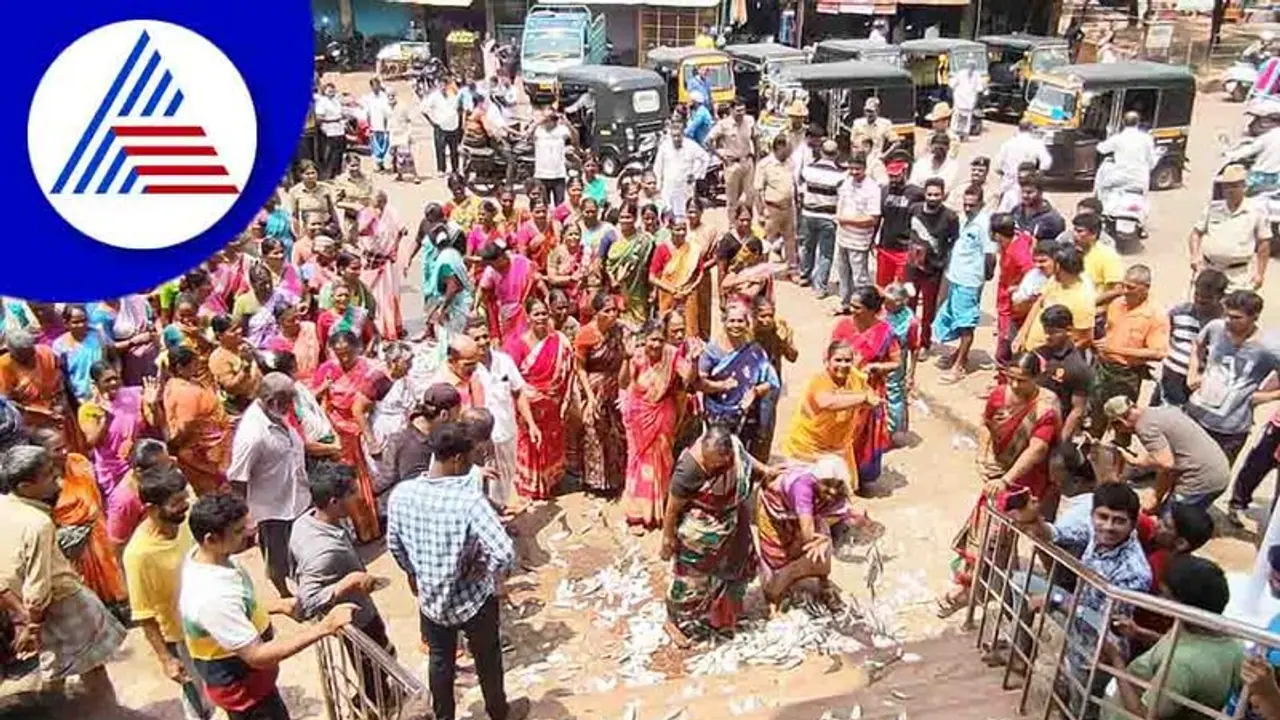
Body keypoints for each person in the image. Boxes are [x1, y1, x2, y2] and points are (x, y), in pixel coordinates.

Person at [386, 422, 529, 720]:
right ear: (457, 460)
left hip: (431, 599)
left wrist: (414, 572)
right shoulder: (468, 502)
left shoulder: (402, 494)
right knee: (487, 658)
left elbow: (395, 545)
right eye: (470, 458)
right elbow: (504, 552)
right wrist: (487, 572)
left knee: (440, 662)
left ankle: (444, 716)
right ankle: (498, 712)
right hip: (472, 598)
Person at [180, 492, 355, 720]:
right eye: (238, 531)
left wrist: (275, 606)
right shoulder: (213, 597)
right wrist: (324, 628)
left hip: (254, 684)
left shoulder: (208, 558)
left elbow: (239, 607)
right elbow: (257, 655)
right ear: (210, 539)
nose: (249, 532)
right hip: (246, 696)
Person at [0, 444, 127, 706]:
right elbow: (38, 588)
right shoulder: (38, 524)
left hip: (24, 608)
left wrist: (22, 619)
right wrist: (31, 625)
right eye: (47, 475)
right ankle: (108, 713)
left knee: (53, 670)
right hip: (63, 605)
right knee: (92, 668)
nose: (56, 479)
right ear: (25, 487)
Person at [937, 353, 1062, 617]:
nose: (1015, 386)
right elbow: (987, 424)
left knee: (996, 533)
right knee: (986, 528)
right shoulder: (998, 396)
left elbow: (1037, 449)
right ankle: (990, 583)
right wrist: (983, 455)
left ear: (1036, 378)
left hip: (1028, 480)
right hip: (999, 472)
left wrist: (1006, 480)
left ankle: (975, 589)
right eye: (1011, 378)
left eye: (1022, 380)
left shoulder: (1045, 408)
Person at [289, 462, 395, 706]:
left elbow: (293, 567)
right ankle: (376, 704)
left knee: (381, 656)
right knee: (374, 666)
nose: (358, 497)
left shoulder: (304, 522)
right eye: (352, 493)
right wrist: (347, 583)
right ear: (334, 501)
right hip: (355, 619)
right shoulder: (321, 551)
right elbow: (308, 602)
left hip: (362, 607)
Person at [662, 426, 775, 648]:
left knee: (736, 568)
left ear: (727, 456)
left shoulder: (733, 445)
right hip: (703, 531)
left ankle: (722, 617)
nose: (709, 466)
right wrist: (668, 537)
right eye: (707, 461)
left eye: (714, 463)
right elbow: (673, 507)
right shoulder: (689, 468)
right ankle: (673, 621)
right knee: (691, 579)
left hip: (733, 520)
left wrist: (765, 470)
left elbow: (745, 457)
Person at [1102, 556, 1243, 720]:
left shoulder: (1181, 666)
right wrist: (1139, 633)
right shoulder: (1231, 641)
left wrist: (1116, 660)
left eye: (1166, 596)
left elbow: (1144, 715)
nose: (1160, 600)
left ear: (1187, 606)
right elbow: (1178, 646)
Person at [124, 466, 215, 720]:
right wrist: (166, 659)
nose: (185, 506)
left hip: (212, 618)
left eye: (185, 498)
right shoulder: (138, 554)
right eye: (177, 503)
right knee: (198, 699)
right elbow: (144, 614)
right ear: (152, 509)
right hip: (182, 636)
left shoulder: (186, 522)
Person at [227, 374, 311, 599]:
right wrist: (244, 518)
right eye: (286, 401)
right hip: (273, 510)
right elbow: (237, 478)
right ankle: (286, 595)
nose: (290, 407)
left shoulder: (276, 415)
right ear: (271, 400)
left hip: (298, 498)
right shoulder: (253, 435)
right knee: (277, 558)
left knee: (303, 551)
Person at [36, 427, 128, 620]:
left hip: (100, 531)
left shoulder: (79, 461)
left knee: (113, 574)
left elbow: (97, 492)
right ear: (43, 454)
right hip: (76, 544)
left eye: (63, 446)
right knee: (89, 584)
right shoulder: (44, 483)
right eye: (56, 450)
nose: (63, 452)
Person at [1185, 290, 1280, 471]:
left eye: (1237, 318)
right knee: (1180, 468)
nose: (1229, 321)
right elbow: (1197, 344)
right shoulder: (1215, 328)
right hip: (1196, 415)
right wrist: (1193, 372)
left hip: (1230, 428)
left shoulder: (1267, 348)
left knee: (1212, 478)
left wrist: (1262, 397)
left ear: (1255, 317)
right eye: (1227, 315)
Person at [312, 331, 383, 543]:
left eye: (348, 353)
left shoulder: (369, 369)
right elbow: (311, 398)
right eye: (339, 354)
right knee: (343, 483)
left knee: (362, 482)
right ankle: (357, 529)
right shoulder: (327, 369)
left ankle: (371, 528)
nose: (344, 359)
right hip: (335, 432)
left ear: (357, 349)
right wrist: (323, 388)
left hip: (360, 429)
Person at [757, 455, 854, 610]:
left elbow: (841, 512)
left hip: (805, 513)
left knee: (821, 546)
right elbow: (808, 532)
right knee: (778, 555)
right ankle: (774, 599)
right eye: (827, 485)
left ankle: (823, 580)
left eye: (837, 486)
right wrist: (815, 539)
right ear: (816, 481)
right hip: (778, 511)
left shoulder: (836, 490)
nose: (832, 491)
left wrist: (822, 538)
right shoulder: (803, 487)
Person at [1103, 396, 1231, 511]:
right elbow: (1166, 470)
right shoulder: (1160, 412)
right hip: (1220, 473)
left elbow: (1164, 463)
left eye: (1116, 427)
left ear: (1121, 422)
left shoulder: (1145, 427)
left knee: (1169, 524)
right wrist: (1156, 498)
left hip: (1200, 480)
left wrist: (1138, 462)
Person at [782, 337, 878, 487]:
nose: (843, 365)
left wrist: (869, 398)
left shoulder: (855, 378)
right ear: (827, 361)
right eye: (838, 360)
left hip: (838, 449)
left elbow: (871, 397)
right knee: (807, 495)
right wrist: (863, 397)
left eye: (847, 361)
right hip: (807, 449)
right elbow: (827, 402)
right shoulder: (819, 380)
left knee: (837, 496)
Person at [621, 319, 681, 533]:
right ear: (644, 339)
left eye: (660, 340)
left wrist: (692, 360)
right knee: (639, 461)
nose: (656, 345)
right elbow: (623, 383)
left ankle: (657, 510)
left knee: (661, 461)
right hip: (638, 415)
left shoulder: (672, 355)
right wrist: (626, 358)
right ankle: (638, 513)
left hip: (663, 413)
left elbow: (688, 379)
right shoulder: (636, 356)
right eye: (652, 340)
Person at [699, 301, 780, 460]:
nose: (736, 325)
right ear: (724, 322)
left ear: (747, 323)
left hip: (746, 416)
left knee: (743, 458)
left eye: (740, 321)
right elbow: (699, 383)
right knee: (719, 456)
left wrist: (755, 392)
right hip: (718, 416)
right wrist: (720, 386)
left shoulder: (755, 351)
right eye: (732, 321)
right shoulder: (711, 351)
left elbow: (772, 382)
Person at [1092, 265, 1168, 431]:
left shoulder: (1155, 314)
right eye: (1123, 285)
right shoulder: (1116, 304)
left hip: (1126, 375)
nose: (1124, 291)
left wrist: (1115, 349)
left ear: (1145, 288)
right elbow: (1110, 330)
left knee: (1122, 424)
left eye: (1131, 287)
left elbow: (1158, 353)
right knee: (1096, 416)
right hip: (1103, 369)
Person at [933, 184, 996, 382]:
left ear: (981, 204)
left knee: (966, 323)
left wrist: (982, 277)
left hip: (970, 280)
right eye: (966, 204)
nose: (968, 208)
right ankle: (958, 355)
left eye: (972, 205)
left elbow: (990, 255)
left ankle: (959, 366)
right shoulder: (962, 219)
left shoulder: (984, 224)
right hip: (955, 276)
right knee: (954, 318)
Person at [574, 293, 628, 496]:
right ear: (596, 313)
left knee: (617, 433)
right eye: (607, 311)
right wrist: (589, 395)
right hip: (594, 386)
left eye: (615, 310)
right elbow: (580, 367)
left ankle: (617, 479)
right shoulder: (585, 334)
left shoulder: (621, 331)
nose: (613, 314)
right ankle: (595, 482)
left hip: (616, 385)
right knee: (594, 432)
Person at [1189, 164, 1272, 292]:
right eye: (1226, 186)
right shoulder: (1213, 209)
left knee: (1235, 309)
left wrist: (1260, 273)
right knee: (1204, 308)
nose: (1230, 190)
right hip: (1209, 270)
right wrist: (1195, 256)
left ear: (1244, 186)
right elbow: (1196, 233)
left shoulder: (1256, 211)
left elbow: (1264, 244)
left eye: (1234, 186)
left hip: (1237, 276)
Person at [164, 347, 233, 495]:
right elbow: (185, 425)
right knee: (214, 490)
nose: (197, 367)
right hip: (203, 453)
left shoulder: (177, 384)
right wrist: (176, 445)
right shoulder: (185, 392)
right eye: (193, 364)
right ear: (180, 368)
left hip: (204, 448)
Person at [1154, 268, 1227, 407]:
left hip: (1198, 385)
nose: (1199, 301)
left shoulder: (1224, 325)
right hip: (1170, 377)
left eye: (1205, 301)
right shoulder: (1179, 312)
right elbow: (1167, 335)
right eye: (1196, 296)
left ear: (1220, 297)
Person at [907, 177, 960, 350]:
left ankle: (924, 343)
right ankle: (908, 340)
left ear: (943, 195)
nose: (932, 198)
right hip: (912, 268)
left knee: (929, 310)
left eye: (937, 194)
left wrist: (942, 260)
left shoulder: (950, 217)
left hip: (933, 270)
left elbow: (954, 240)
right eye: (929, 194)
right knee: (909, 305)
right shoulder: (914, 210)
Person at [1016, 244, 1096, 353]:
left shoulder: (1083, 299)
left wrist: (1056, 358)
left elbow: (1085, 339)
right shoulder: (1055, 280)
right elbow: (1039, 303)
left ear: (1058, 267)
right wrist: (1021, 335)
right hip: (1032, 350)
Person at [0, 328, 73, 443]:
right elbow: (7, 403)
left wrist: (61, 404)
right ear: (13, 353)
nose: (30, 361)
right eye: (24, 358)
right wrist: (40, 412)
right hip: (33, 423)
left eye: (31, 354)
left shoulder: (46, 353)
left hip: (59, 411)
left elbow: (61, 380)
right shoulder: (4, 366)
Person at [356, 190, 407, 340]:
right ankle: (373, 329)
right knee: (371, 294)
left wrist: (395, 249)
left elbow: (401, 230)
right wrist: (373, 217)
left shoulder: (392, 212)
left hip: (387, 261)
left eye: (382, 203)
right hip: (371, 260)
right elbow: (362, 232)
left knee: (389, 294)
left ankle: (389, 328)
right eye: (377, 203)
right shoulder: (366, 214)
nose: (380, 207)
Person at [832, 153, 881, 310]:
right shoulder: (847, 182)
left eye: (857, 169)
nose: (853, 172)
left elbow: (872, 218)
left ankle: (865, 307)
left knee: (860, 277)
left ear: (865, 169)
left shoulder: (872, 188)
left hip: (859, 240)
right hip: (842, 237)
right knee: (843, 273)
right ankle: (845, 303)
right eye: (851, 168)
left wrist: (846, 221)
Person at [798, 139, 844, 295]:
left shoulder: (808, 169)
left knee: (807, 247)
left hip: (808, 214)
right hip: (828, 217)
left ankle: (804, 276)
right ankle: (820, 287)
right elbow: (842, 197)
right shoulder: (841, 174)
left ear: (821, 152)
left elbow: (801, 190)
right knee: (826, 253)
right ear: (836, 154)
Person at [604, 205, 656, 329]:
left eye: (628, 217)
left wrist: (654, 290)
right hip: (617, 291)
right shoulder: (613, 237)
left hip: (639, 291)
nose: (625, 220)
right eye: (622, 217)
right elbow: (607, 265)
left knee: (639, 328)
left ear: (635, 218)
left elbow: (652, 266)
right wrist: (614, 280)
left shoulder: (645, 241)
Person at [876, 152, 924, 287]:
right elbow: (878, 217)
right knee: (882, 286)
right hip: (885, 246)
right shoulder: (884, 191)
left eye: (896, 176)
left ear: (904, 172)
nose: (893, 180)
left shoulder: (917, 193)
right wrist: (873, 240)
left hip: (905, 249)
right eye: (890, 176)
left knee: (900, 289)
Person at [52, 304, 115, 404]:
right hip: (82, 398)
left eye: (84, 320)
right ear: (66, 323)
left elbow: (114, 357)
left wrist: (116, 377)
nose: (81, 325)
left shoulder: (98, 335)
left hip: (106, 393)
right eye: (76, 322)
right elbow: (63, 376)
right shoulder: (60, 346)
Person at [706, 99, 757, 220]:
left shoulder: (749, 121)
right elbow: (708, 141)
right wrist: (721, 157)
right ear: (731, 110)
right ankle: (732, 226)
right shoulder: (724, 124)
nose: (741, 113)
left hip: (748, 162)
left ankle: (748, 222)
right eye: (738, 110)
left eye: (743, 110)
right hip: (732, 165)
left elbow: (756, 138)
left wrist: (757, 157)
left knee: (750, 197)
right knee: (732, 200)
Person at [756, 134, 799, 277]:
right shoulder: (764, 165)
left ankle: (792, 269)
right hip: (772, 208)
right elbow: (758, 190)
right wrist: (761, 212)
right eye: (788, 147)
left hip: (789, 207)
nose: (791, 150)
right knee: (767, 240)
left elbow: (794, 184)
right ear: (780, 147)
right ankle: (763, 271)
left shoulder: (791, 163)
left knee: (791, 240)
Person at [882, 282, 920, 440]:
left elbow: (914, 348)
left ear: (899, 303)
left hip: (897, 359)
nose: (885, 304)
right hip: (879, 356)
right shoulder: (882, 312)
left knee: (895, 392)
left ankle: (895, 431)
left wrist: (911, 373)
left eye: (888, 302)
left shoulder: (910, 321)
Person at [654, 122, 710, 221]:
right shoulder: (664, 146)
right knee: (668, 214)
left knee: (686, 214)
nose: (676, 139)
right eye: (674, 136)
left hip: (685, 187)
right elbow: (658, 167)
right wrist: (658, 186)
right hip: (668, 187)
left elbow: (705, 158)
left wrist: (696, 175)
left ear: (682, 134)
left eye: (678, 136)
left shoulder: (691, 145)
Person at [1096, 111, 1156, 198]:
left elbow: (1101, 149)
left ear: (1123, 122)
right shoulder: (1147, 138)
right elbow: (1151, 163)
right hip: (1140, 180)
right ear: (1138, 122)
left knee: (1102, 189)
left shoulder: (1117, 138)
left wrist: (1109, 135)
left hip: (1118, 179)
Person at [532, 110, 576, 206]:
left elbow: (575, 139)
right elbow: (526, 136)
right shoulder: (538, 130)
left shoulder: (562, 129)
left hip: (558, 175)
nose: (549, 120)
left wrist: (568, 123)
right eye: (547, 118)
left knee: (560, 206)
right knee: (542, 205)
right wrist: (537, 122)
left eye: (552, 118)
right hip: (541, 175)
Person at [996, 119, 1053, 192]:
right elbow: (1046, 162)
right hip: (1027, 186)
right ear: (1031, 128)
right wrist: (1038, 175)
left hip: (1008, 185)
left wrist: (1007, 174)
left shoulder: (1008, 143)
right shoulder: (1036, 143)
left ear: (1018, 128)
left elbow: (997, 166)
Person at [423, 80, 462, 177]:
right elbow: (424, 110)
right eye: (441, 85)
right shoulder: (434, 97)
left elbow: (458, 108)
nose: (443, 87)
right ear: (438, 86)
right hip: (440, 127)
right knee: (440, 149)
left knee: (454, 149)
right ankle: (441, 169)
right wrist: (432, 122)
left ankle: (455, 169)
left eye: (444, 85)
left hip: (453, 126)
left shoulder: (452, 96)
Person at [314, 84, 348, 181]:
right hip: (328, 130)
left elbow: (341, 113)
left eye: (333, 91)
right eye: (329, 91)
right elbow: (319, 117)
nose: (331, 93)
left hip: (339, 129)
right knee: (329, 154)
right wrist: (331, 119)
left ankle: (337, 174)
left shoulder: (336, 101)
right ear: (324, 91)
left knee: (339, 153)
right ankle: (328, 176)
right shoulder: (322, 102)